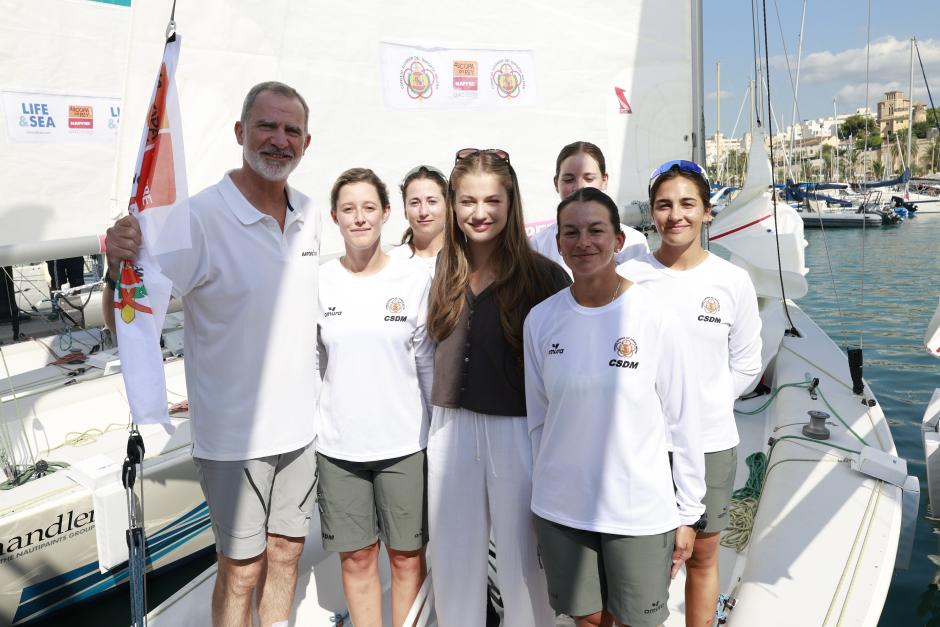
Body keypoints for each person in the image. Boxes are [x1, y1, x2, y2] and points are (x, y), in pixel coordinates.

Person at [103, 81, 320, 627]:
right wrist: (116, 270)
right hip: (232, 438)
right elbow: (128, 318)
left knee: (289, 553)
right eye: (266, 126)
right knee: (241, 567)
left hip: (303, 428)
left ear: (306, 142)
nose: (279, 140)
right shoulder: (196, 218)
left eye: (291, 130)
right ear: (240, 133)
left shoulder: (313, 215)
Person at [524, 186, 706, 627]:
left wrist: (689, 513)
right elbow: (538, 421)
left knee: (634, 622)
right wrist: (541, 495)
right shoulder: (542, 319)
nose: (583, 242)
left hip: (638, 508)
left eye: (595, 230)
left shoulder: (653, 316)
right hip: (563, 507)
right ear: (559, 243)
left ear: (618, 241)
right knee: (586, 620)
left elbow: (683, 421)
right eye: (571, 232)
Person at [426, 148, 570, 627]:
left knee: (522, 560)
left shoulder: (545, 278)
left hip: (518, 429)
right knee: (452, 558)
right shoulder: (440, 270)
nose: (480, 212)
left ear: (511, 205)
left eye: (492, 200)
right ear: (453, 203)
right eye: (467, 201)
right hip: (449, 429)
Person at [617, 160, 762, 627]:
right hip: (643, 445)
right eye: (663, 205)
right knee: (643, 557)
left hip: (711, 441)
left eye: (686, 204)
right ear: (652, 213)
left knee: (702, 555)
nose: (674, 215)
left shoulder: (732, 281)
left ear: (706, 212)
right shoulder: (629, 275)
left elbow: (747, 362)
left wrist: (704, 407)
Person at [316, 167, 432, 627]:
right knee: (357, 559)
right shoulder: (321, 281)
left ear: (386, 213)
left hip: (403, 444)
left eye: (369, 208)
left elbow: (425, 363)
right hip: (340, 448)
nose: (359, 218)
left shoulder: (412, 279)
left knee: (406, 559)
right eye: (349, 209)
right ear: (335, 217)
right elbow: (313, 363)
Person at [529, 141, 648, 275]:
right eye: (568, 180)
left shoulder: (635, 242)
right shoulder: (538, 245)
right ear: (556, 183)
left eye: (589, 178)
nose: (579, 187)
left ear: (604, 180)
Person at [387, 164, 447, 273]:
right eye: (415, 203)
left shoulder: (469, 258)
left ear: (447, 206)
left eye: (432, 201)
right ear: (405, 210)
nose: (423, 212)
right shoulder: (391, 264)